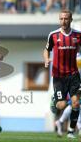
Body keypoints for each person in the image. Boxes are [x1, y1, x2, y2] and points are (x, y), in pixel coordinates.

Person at [43, 10, 81, 138]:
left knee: (76, 103)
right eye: (61, 19)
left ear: (70, 20)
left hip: (74, 74)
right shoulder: (53, 35)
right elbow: (46, 50)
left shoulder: (78, 35)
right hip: (59, 76)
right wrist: (46, 59)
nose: (63, 21)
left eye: (66, 19)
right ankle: (55, 100)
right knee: (62, 104)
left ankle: (71, 131)